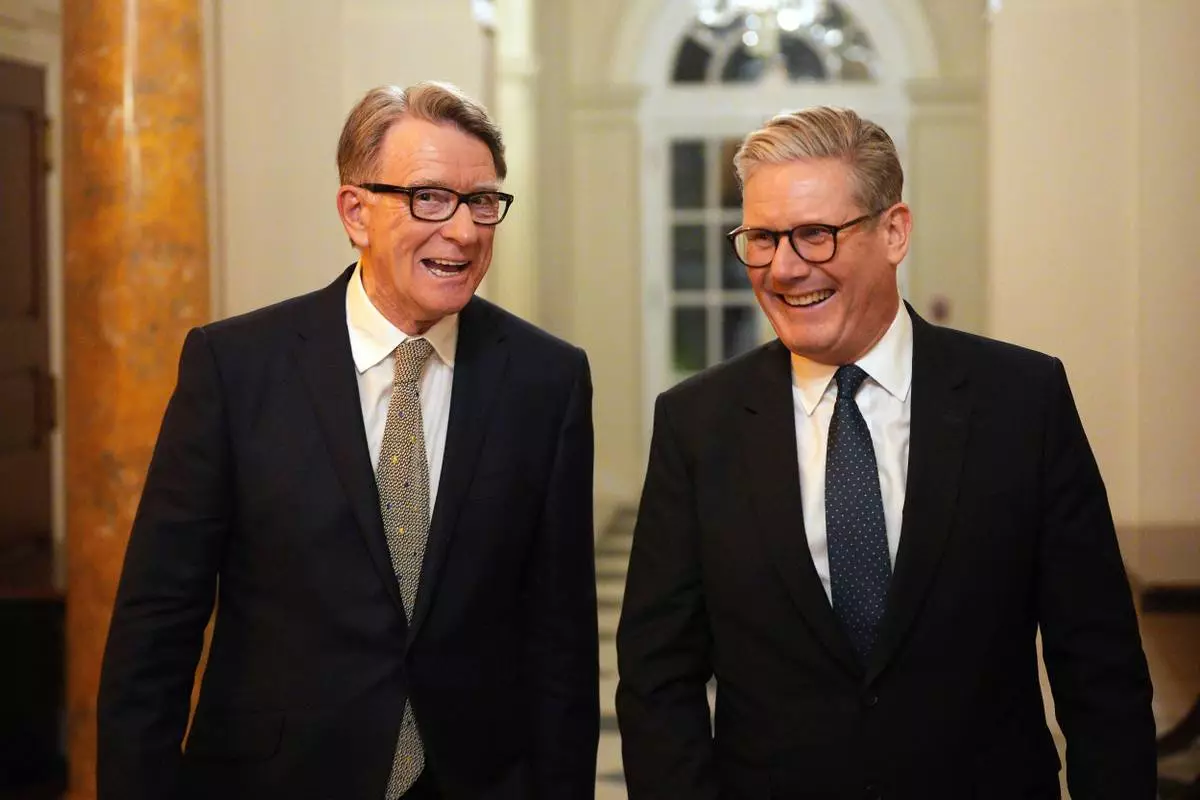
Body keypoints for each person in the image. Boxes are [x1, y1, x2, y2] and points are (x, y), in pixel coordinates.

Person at [615, 106, 1156, 799]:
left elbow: (1100, 667)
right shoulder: (697, 422)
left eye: (815, 235)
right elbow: (658, 679)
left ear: (894, 231)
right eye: (762, 239)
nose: (784, 268)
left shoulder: (1022, 401)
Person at [98, 82, 599, 800]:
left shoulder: (547, 380)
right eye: (429, 198)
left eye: (483, 201)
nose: (463, 231)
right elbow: (158, 621)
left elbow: (561, 641)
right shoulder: (236, 368)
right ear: (355, 212)